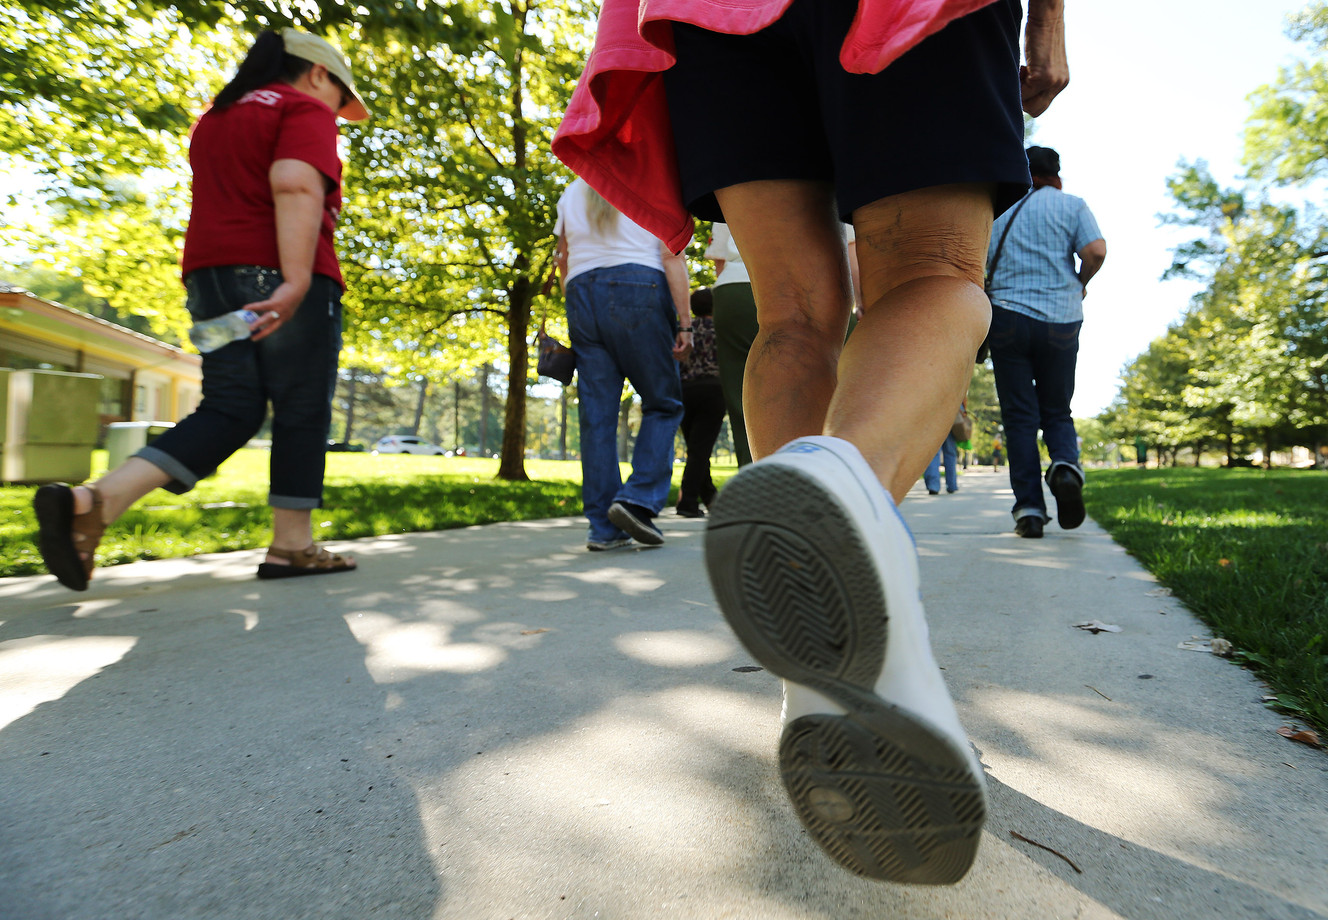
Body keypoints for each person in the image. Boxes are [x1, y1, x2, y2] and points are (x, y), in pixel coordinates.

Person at [555, 0, 1068, 886]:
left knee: (792, 315)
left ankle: (821, 670)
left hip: (716, 14)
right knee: (936, 273)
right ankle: (841, 492)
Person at [33, 29, 368, 591]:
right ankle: (292, 545)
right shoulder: (302, 107)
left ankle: (93, 502)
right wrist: (295, 279)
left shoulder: (216, 117)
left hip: (209, 280)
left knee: (229, 408)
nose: (336, 109)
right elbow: (294, 185)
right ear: (317, 74)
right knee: (302, 408)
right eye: (340, 96)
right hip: (280, 277)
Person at [554, 178, 692, 550]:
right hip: (638, 283)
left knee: (596, 416)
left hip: (582, 293)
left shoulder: (571, 190)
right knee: (663, 403)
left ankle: (602, 527)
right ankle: (637, 499)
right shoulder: (648, 179)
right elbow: (670, 255)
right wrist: (685, 322)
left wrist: (582, 304)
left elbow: (562, 259)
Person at [986, 145, 1106, 538]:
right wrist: (1080, 283)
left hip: (1007, 316)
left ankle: (1030, 511)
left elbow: (977, 265)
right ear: (1057, 175)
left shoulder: (997, 211)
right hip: (1061, 318)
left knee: (1020, 419)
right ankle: (1066, 467)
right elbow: (1095, 251)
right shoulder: (1071, 205)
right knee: (1057, 410)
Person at [705, 223, 757, 466]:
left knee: (741, 398)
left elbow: (719, 260)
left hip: (734, 287)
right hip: (803, 281)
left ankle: (753, 487)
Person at [675, 286, 726, 516]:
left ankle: (710, 497)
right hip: (712, 390)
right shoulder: (722, 329)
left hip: (684, 390)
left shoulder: (684, 330)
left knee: (697, 448)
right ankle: (687, 501)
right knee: (700, 449)